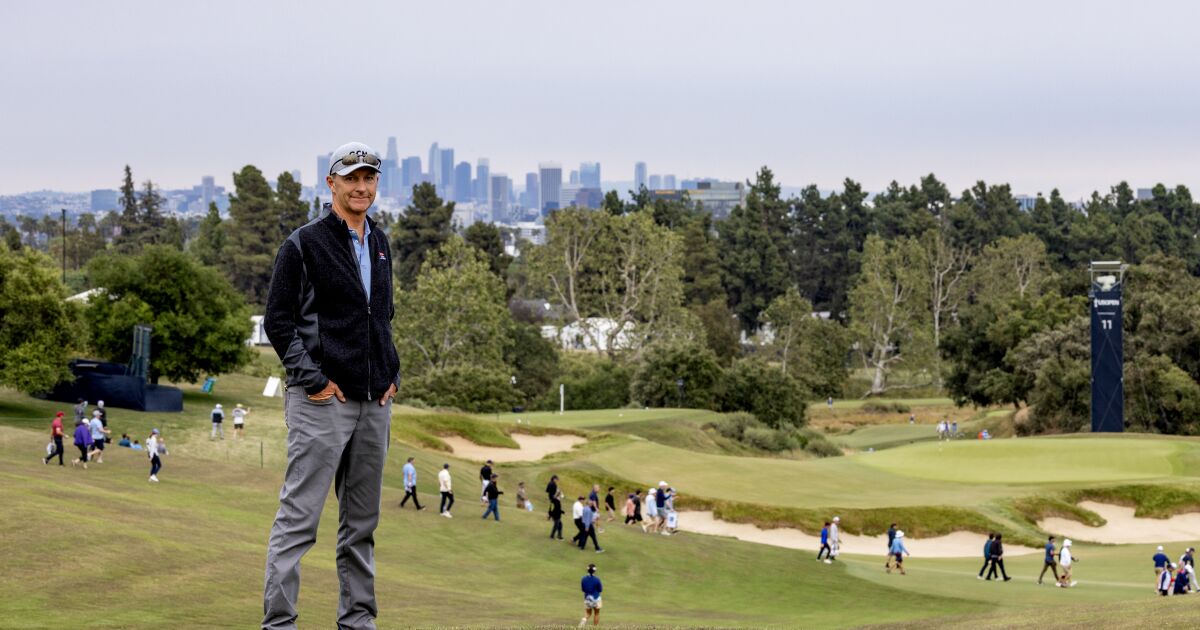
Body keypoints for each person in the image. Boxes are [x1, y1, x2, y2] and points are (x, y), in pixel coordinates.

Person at [261, 141, 400, 630]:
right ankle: (279, 625)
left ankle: (357, 622)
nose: (362, 187)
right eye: (352, 178)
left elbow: (381, 318)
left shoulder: (380, 243)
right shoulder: (303, 243)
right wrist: (314, 380)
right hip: (321, 403)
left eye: (370, 179)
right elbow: (277, 323)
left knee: (361, 527)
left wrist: (392, 374)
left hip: (373, 404)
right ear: (332, 184)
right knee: (299, 523)